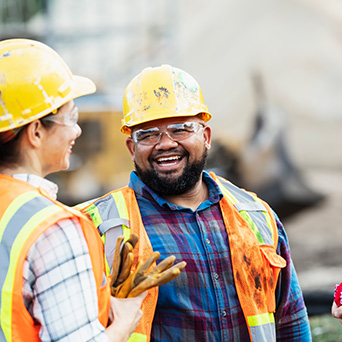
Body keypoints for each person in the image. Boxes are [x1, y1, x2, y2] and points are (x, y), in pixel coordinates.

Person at [79, 65, 312, 341]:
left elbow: (290, 322)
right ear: (132, 148)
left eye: (180, 129)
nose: (165, 143)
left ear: (206, 137)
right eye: (148, 134)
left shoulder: (255, 214)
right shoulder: (94, 227)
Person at [0, 38, 146, 342]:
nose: (77, 130)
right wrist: (125, 322)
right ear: (36, 131)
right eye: (71, 117)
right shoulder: (52, 229)